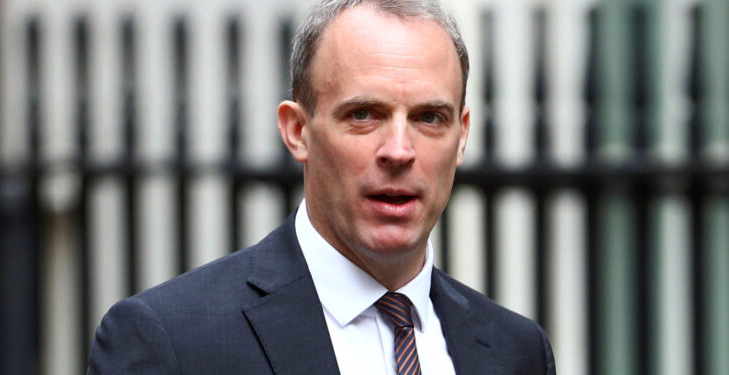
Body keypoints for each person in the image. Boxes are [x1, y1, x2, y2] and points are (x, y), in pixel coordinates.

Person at [87, 0, 556, 374]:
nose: (399, 150)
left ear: (462, 136)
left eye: (429, 118)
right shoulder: (171, 342)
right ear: (297, 131)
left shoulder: (516, 351)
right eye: (363, 115)